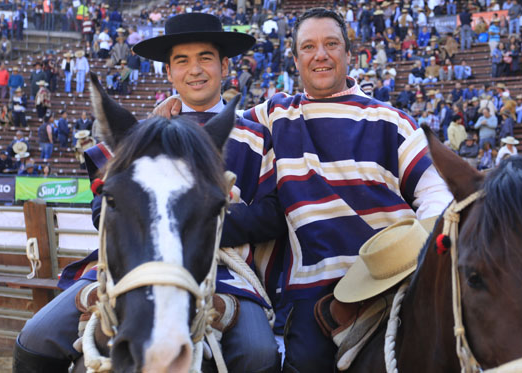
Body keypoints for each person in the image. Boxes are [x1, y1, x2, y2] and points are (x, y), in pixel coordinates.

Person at [156, 8, 452, 371]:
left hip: (391, 273)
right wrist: (172, 116)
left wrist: (421, 259)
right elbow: (211, 114)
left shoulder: (391, 120)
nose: (321, 55)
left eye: (331, 44)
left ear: (349, 54)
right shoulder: (275, 114)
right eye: (308, 47)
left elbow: (434, 191)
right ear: (295, 60)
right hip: (315, 286)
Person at [15, 13, 282, 373]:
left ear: (224, 65)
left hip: (226, 274)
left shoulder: (257, 136)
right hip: (133, 264)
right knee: (36, 336)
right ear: (169, 73)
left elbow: (271, 213)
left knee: (258, 354)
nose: (196, 70)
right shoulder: (142, 135)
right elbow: (101, 210)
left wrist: (198, 223)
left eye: (205, 58)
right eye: (182, 61)